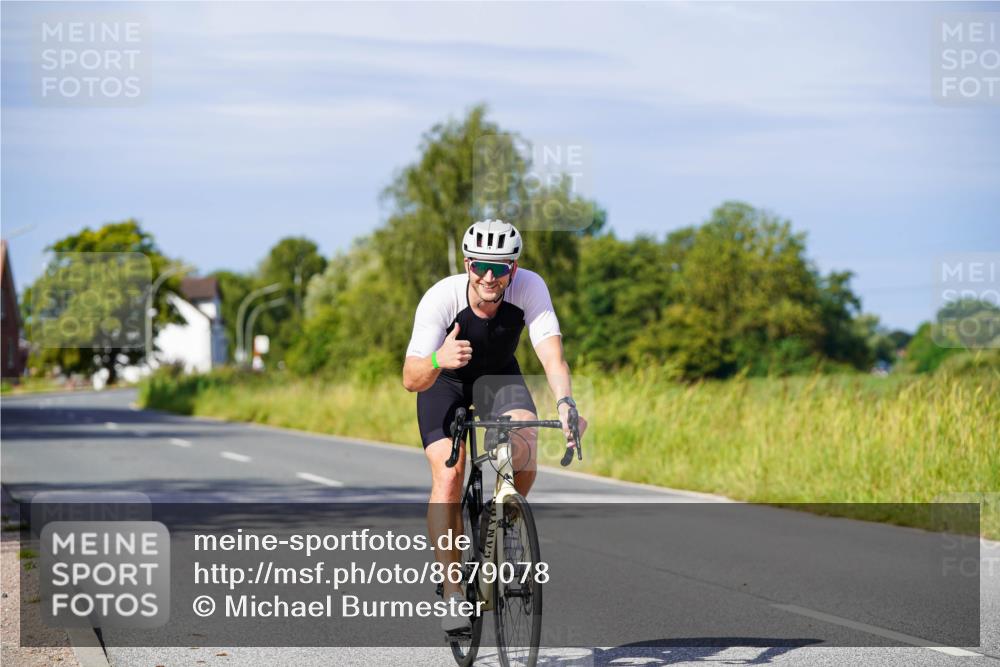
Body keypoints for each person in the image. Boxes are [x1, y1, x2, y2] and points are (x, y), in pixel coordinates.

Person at [402, 218, 587, 633]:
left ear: (513, 270)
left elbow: (552, 357)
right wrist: (438, 359)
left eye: (500, 268)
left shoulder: (531, 289)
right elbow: (411, 377)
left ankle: (499, 519)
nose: (489, 276)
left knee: (525, 436)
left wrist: (565, 402)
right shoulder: (440, 299)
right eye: (481, 266)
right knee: (448, 476)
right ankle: (452, 591)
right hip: (444, 383)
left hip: (499, 377)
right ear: (467, 264)